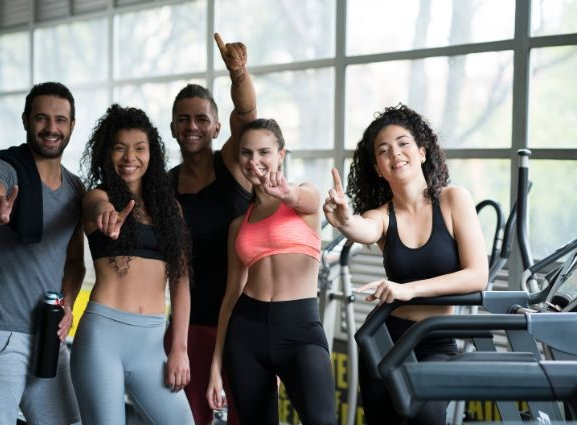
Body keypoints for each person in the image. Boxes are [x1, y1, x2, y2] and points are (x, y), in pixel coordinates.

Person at [322, 104, 489, 425]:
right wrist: (344, 221)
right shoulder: (382, 215)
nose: (395, 153)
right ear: (378, 168)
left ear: (422, 152)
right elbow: (363, 229)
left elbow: (477, 275)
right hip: (384, 337)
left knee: (427, 416)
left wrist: (407, 290)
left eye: (403, 143)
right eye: (383, 151)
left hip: (435, 338)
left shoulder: (454, 200)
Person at [0, 81, 85, 425]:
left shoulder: (75, 187)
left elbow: (74, 261)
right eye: (42, 118)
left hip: (48, 335)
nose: (51, 128)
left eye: (60, 120)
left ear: (71, 125)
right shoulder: (5, 167)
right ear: (26, 121)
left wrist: (69, 305)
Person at [207, 118, 338, 425]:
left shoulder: (304, 199)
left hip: (300, 329)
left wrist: (286, 192)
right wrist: (215, 365)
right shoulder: (239, 225)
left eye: (264, 152)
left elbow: (302, 197)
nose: (254, 162)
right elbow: (230, 296)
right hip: (245, 333)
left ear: (281, 154)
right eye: (246, 153)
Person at [71, 104, 194, 425]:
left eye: (140, 149)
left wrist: (179, 349)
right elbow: (96, 207)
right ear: (106, 153)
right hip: (102, 339)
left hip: (152, 345)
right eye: (120, 148)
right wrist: (106, 214)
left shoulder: (170, 210)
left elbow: (180, 282)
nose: (130, 157)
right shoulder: (97, 196)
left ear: (152, 154)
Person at [165, 32, 256, 425]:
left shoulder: (233, 163)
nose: (193, 126)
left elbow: (248, 115)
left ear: (218, 127)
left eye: (202, 119)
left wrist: (239, 76)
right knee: (191, 418)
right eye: (183, 119)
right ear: (172, 128)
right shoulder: (164, 187)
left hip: (243, 321)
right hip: (189, 326)